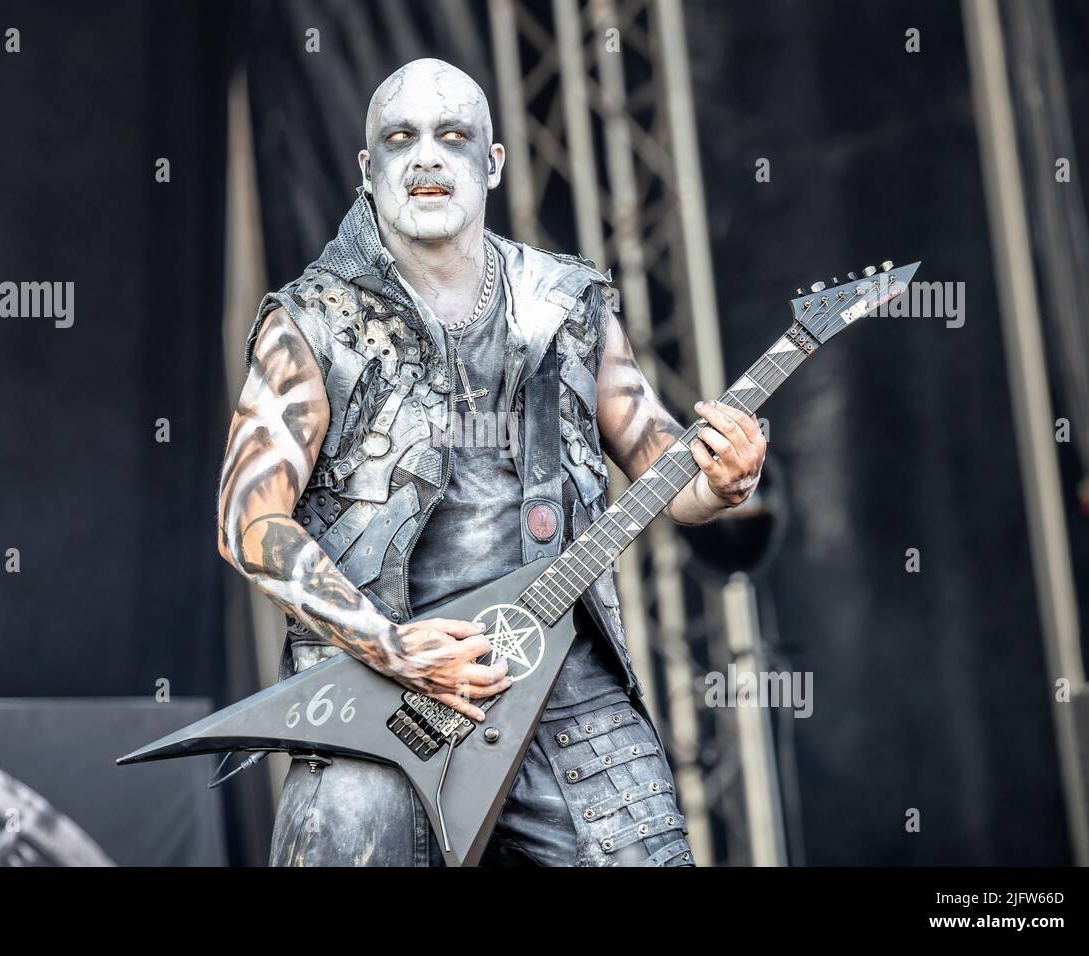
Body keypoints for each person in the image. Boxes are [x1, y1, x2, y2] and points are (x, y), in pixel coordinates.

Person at [216, 58, 766, 866]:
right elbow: (246, 522)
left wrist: (721, 480)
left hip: (567, 698)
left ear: (493, 163)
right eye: (400, 139)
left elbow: (660, 463)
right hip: (381, 710)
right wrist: (390, 645)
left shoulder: (565, 302)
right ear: (368, 171)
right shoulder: (313, 321)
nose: (428, 158)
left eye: (452, 136)